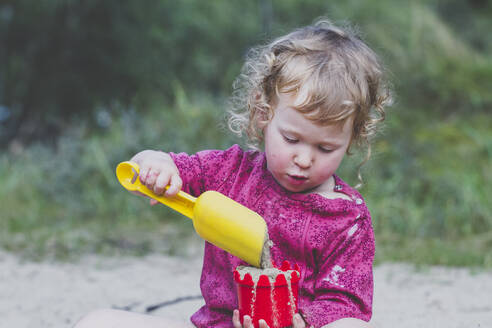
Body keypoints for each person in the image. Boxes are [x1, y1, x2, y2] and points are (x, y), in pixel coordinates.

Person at [74, 18, 391, 328]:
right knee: (98, 322)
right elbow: (167, 167)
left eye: (325, 148)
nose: (304, 158)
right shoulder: (231, 172)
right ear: (264, 114)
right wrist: (155, 167)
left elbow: (349, 301)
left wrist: (303, 322)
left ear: (352, 139)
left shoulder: (347, 219)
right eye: (292, 139)